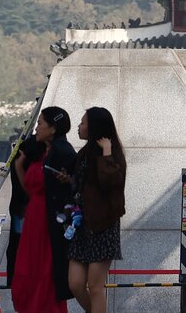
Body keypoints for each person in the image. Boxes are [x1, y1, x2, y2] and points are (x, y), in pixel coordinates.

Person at [11, 107, 77, 313]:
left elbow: (76, 186)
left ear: (53, 128)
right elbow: (30, 189)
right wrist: (19, 167)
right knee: (24, 275)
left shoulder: (63, 152)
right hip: (33, 217)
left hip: (49, 222)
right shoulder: (37, 152)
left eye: (41, 123)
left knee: (46, 274)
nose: (36, 128)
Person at [65, 107, 126, 313]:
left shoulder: (113, 153)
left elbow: (110, 182)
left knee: (96, 286)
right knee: (75, 283)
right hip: (81, 224)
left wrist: (107, 153)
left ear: (95, 127)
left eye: (83, 123)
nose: (79, 127)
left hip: (103, 225)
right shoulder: (84, 153)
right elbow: (83, 185)